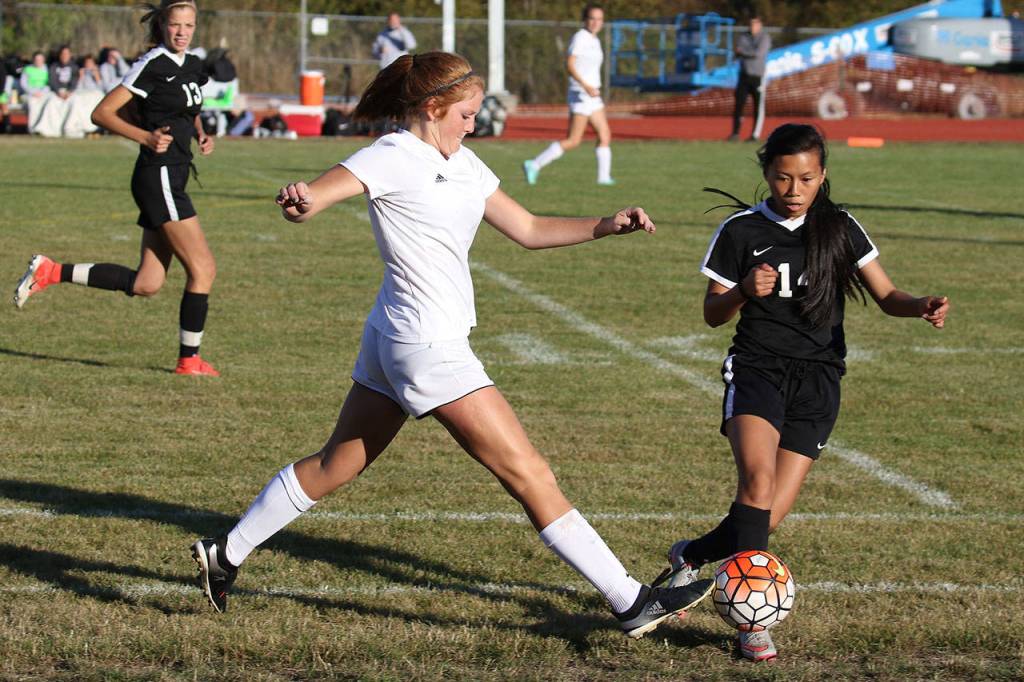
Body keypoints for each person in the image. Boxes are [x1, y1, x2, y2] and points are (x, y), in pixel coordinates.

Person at [190, 51, 714, 636]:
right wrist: (302, 201)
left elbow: (531, 229)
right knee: (529, 472)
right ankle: (631, 602)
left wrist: (605, 225)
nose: (474, 122)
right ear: (434, 107)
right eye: (466, 112)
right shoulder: (391, 154)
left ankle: (226, 552)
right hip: (426, 346)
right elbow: (318, 195)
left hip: (393, 337)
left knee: (337, 462)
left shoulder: (466, 163)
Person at [656, 123, 949, 661]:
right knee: (757, 482)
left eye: (807, 178)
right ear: (766, 173)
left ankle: (691, 554)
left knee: (765, 514)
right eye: (783, 177)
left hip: (819, 379)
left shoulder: (838, 228)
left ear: (823, 176)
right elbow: (711, 313)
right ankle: (751, 621)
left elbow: (885, 295)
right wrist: (744, 289)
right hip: (757, 368)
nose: (794, 188)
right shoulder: (741, 231)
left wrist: (921, 304)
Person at [12, 0, 220, 376]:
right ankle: (189, 361)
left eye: (188, 25)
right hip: (157, 176)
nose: (182, 32)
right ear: (162, 26)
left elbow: (189, 108)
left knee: (147, 283)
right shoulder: (152, 64)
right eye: (175, 25)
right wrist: (145, 136)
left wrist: (202, 135)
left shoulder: (192, 64)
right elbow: (102, 113)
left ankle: (50, 271)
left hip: (173, 175)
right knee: (203, 269)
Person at [523, 4, 613, 187]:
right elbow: (570, 65)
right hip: (581, 94)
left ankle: (604, 178)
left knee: (604, 135)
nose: (596, 22)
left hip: (593, 95)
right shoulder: (580, 38)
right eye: (592, 18)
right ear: (585, 20)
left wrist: (592, 87)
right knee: (573, 140)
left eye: (599, 19)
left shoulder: (595, 40)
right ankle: (535, 163)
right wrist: (586, 86)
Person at [729, 17, 771, 142]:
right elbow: (738, 50)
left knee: (758, 106)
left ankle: (755, 135)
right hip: (744, 75)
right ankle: (735, 133)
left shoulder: (764, 38)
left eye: (755, 25)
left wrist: (743, 52)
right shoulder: (743, 37)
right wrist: (741, 52)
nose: (752, 27)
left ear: (760, 26)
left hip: (757, 76)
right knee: (739, 104)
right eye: (750, 24)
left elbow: (758, 53)